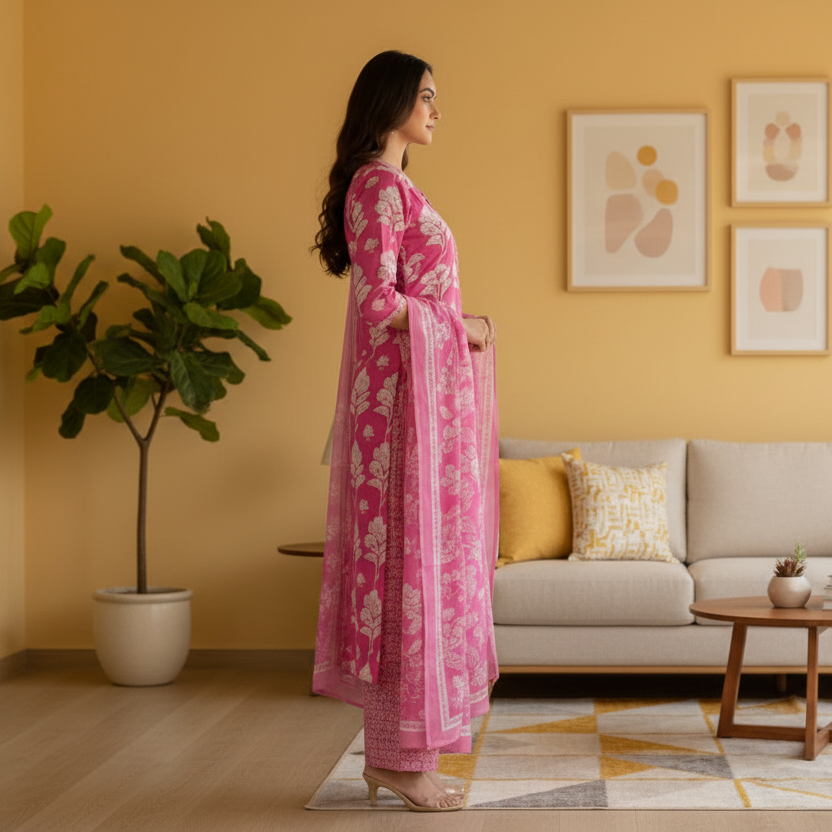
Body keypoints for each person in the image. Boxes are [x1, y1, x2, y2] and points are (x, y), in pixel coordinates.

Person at [311, 50, 499, 813]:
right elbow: (377, 305)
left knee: (415, 577)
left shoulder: (393, 185)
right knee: (404, 579)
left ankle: (399, 757)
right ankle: (397, 763)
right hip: (399, 418)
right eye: (425, 96)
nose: (435, 109)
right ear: (389, 101)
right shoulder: (377, 186)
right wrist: (461, 326)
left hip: (419, 407)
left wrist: (456, 330)